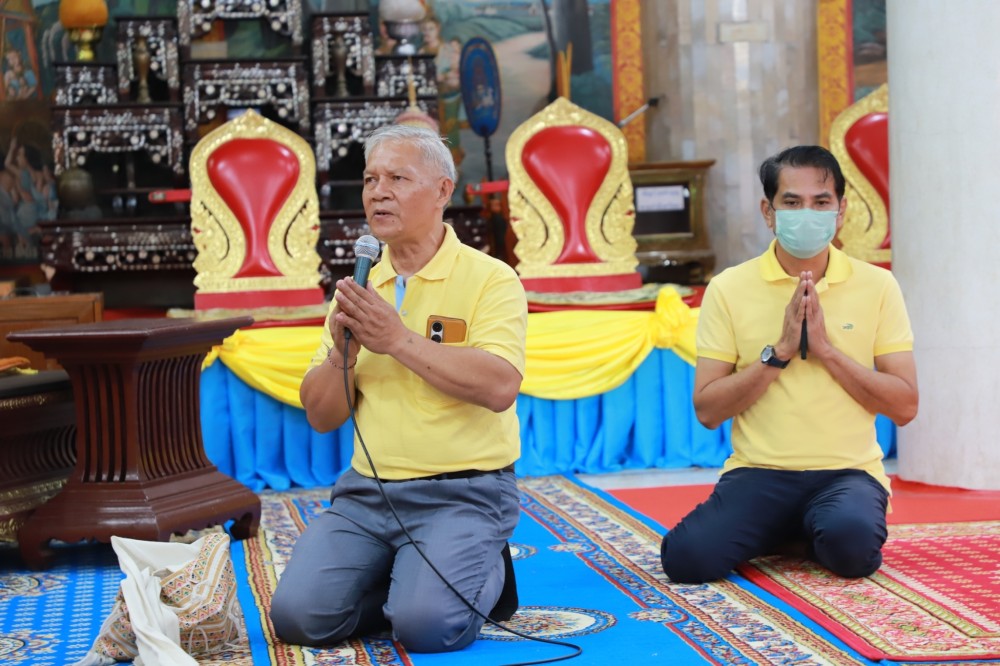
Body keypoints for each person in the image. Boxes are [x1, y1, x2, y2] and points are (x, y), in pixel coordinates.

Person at [270, 124, 528, 652]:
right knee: (298, 619)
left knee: (426, 629)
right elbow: (321, 416)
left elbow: (500, 386)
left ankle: (485, 575)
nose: (378, 193)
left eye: (397, 179)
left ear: (442, 191)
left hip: (464, 494)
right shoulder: (359, 287)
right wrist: (344, 353)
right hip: (368, 495)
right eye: (370, 180)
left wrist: (398, 340)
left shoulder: (491, 278)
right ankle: (408, 580)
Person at [660, 145, 918, 583]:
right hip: (759, 473)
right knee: (687, 561)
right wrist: (778, 353)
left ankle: (789, 532)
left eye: (821, 202)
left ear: (841, 211)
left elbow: (905, 405)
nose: (807, 214)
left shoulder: (878, 285)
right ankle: (789, 530)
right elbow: (708, 410)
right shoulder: (729, 288)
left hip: (848, 474)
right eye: (792, 202)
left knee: (853, 552)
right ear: (769, 211)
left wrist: (827, 351)